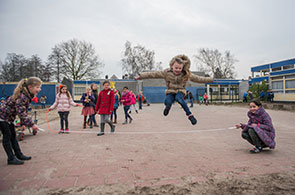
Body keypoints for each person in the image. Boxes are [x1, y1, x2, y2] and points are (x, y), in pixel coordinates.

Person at [137, 55, 213, 125]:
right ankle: (168, 107)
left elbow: (198, 78)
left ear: (183, 67)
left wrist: (210, 80)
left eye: (180, 68)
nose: (178, 70)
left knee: (179, 99)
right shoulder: (166, 72)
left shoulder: (186, 73)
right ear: (171, 66)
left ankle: (190, 115)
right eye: (176, 68)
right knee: (167, 101)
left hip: (180, 90)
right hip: (170, 91)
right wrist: (142, 76)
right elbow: (154, 74)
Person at [0, 77, 41, 165]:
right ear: (30, 87)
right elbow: (22, 113)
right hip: (2, 117)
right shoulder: (22, 97)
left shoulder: (27, 96)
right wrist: (32, 125)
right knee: (7, 137)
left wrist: (23, 123)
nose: (39, 89)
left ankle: (18, 154)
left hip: (9, 118)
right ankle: (11, 158)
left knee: (13, 136)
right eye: (37, 87)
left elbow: (23, 111)